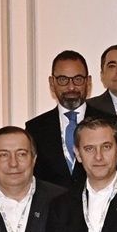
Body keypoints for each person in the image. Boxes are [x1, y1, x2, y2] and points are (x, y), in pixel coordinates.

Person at [26, 50, 109, 188]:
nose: (71, 87)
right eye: (63, 80)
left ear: (88, 82)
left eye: (78, 79)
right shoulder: (35, 128)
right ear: (52, 82)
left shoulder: (110, 123)